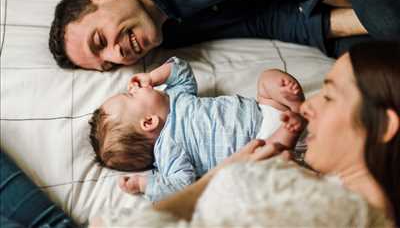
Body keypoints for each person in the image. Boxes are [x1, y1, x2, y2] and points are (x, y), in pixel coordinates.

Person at [90, 41, 400, 227]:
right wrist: (149, 182)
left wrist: (220, 176)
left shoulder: (339, 211)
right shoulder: (328, 193)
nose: (308, 106)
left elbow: (113, 223)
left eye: (329, 96)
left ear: (383, 127)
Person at [48, 0, 371, 71]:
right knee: (367, 61)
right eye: (108, 65)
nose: (117, 56)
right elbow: (262, 19)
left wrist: (374, 16)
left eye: (100, 41)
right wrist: (363, 22)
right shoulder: (172, 33)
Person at [88, 57, 305, 201]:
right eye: (131, 94)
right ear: (148, 122)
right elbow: (180, 187)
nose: (134, 87)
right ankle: (291, 128)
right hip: (261, 144)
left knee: (267, 79)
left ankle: (292, 104)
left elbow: (181, 70)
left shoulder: (175, 96)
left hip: (264, 109)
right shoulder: (168, 150)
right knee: (265, 161)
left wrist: (152, 77)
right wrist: (144, 184)